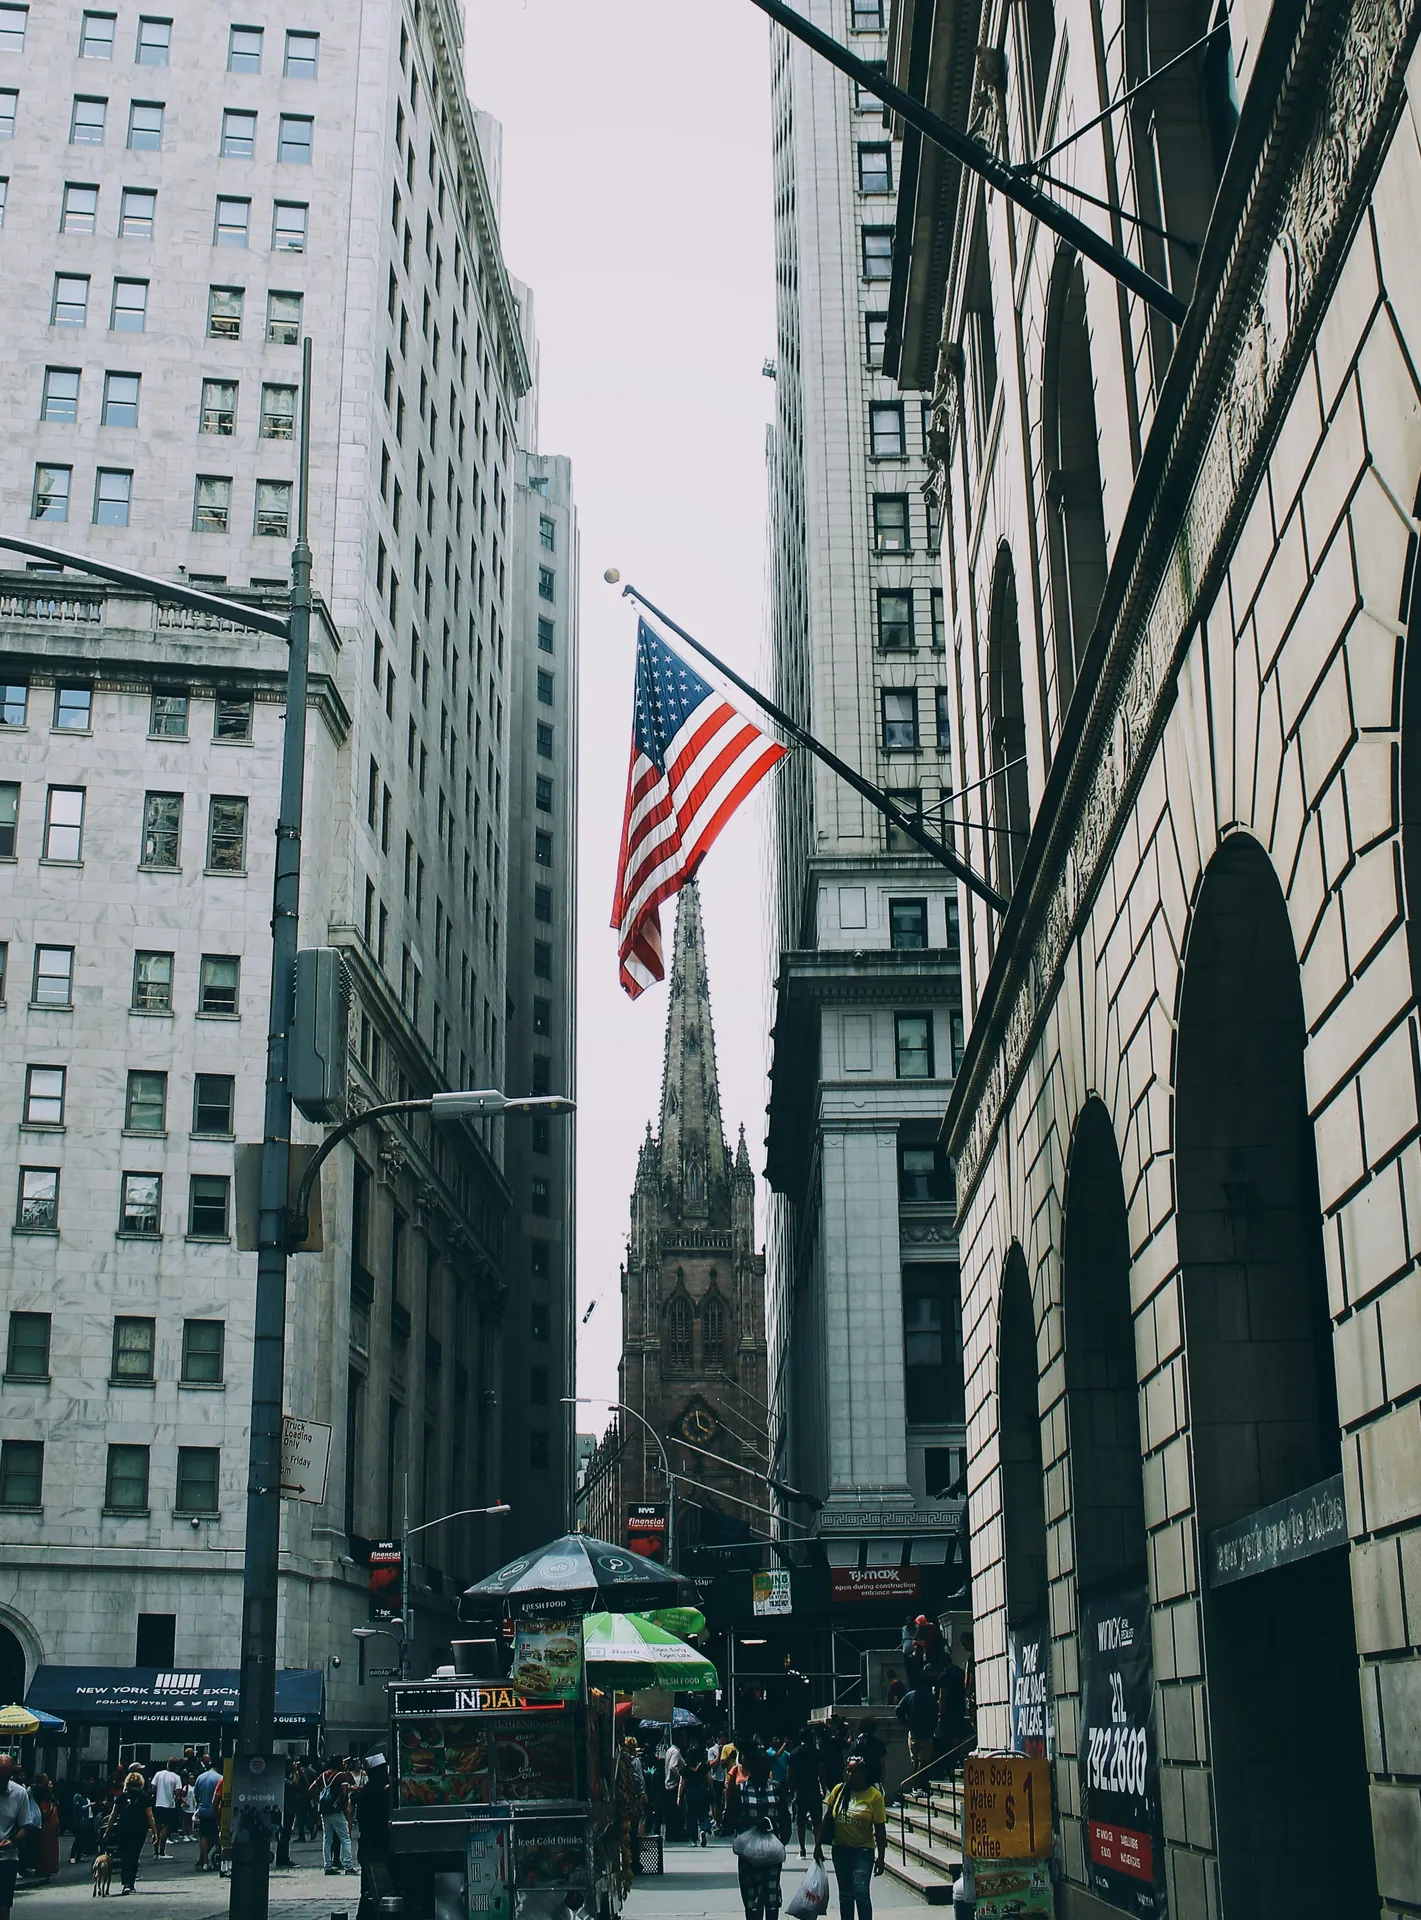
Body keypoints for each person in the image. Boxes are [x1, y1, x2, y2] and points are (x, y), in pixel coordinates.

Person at [814, 1753, 887, 1920]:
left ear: (864, 1773)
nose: (849, 1775)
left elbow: (880, 1829)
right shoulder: (838, 1790)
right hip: (840, 1850)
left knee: (860, 1892)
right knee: (845, 1895)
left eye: (854, 1772)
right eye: (848, 1771)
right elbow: (826, 1820)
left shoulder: (874, 1796)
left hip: (863, 1851)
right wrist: (818, 1845)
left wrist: (881, 1857)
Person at [725, 1741, 785, 1920]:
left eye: (767, 1766)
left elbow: (784, 1817)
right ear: (750, 1768)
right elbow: (728, 1820)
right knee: (752, 1899)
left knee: (772, 1896)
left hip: (772, 1852)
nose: (766, 1769)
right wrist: (754, 1822)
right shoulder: (739, 1790)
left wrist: (781, 1839)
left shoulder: (776, 1788)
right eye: (762, 1766)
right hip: (748, 1854)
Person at [104, 1770, 157, 1896]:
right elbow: (149, 1816)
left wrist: (108, 1830)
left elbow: (113, 1815)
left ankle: (125, 1882)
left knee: (124, 1856)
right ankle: (130, 1883)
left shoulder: (122, 1797)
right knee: (134, 1855)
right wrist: (155, 1832)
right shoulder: (144, 1797)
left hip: (124, 1829)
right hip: (139, 1830)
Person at [355, 1751, 393, 1918]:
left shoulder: (365, 1792)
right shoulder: (382, 1792)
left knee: (368, 1888)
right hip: (380, 1845)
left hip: (367, 1846)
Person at [0, 1756, 38, 1920]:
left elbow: (26, 1825)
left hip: (7, 1857)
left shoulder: (19, 1793)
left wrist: (13, 1841)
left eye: (4, 1777)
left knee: (3, 1904)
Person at [311, 1755, 357, 1876]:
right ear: (339, 1763)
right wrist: (344, 1806)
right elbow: (345, 1792)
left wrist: (318, 1800)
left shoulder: (324, 1775)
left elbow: (311, 1788)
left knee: (327, 1839)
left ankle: (328, 1866)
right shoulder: (342, 1776)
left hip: (324, 1811)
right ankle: (348, 1866)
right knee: (345, 1838)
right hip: (337, 1811)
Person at [786, 1728, 822, 1861]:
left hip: (800, 1790)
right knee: (817, 1821)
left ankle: (802, 1849)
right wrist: (823, 1787)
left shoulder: (794, 1753)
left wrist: (791, 1789)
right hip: (813, 1788)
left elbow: (790, 1773)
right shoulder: (816, 1753)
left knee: (800, 1821)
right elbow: (821, 1771)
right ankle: (818, 1847)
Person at [895, 1674, 939, 1772]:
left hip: (913, 1732)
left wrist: (905, 1723)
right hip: (926, 1734)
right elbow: (935, 1714)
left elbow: (898, 1710)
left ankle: (915, 1782)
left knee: (914, 1760)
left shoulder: (910, 1695)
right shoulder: (930, 1697)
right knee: (924, 1761)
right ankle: (919, 1781)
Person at [678, 1741, 713, 1848]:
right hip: (702, 1792)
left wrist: (679, 1796)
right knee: (703, 1813)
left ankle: (693, 1839)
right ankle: (703, 1829)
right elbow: (709, 1779)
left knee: (691, 1816)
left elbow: (682, 1783)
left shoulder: (685, 1769)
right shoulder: (703, 1766)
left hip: (690, 1793)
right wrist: (711, 1789)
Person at [192, 1757, 223, 1872]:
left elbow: (196, 1795)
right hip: (215, 1811)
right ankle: (217, 1859)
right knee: (216, 1836)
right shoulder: (220, 1779)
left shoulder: (200, 1777)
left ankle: (204, 1861)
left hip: (203, 1810)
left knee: (204, 1836)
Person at [151, 1759, 183, 1858]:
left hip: (158, 1804)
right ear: (176, 1767)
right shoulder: (176, 1777)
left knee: (156, 1829)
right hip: (169, 1805)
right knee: (165, 1828)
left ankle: (155, 1852)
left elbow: (153, 1789)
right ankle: (162, 1852)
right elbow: (177, 1793)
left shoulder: (158, 1774)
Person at [850, 1719, 887, 1788]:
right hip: (874, 1778)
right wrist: (882, 1781)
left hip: (857, 1780)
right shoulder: (878, 1744)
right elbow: (882, 1764)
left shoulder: (854, 1744)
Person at [68, 1784, 96, 1864]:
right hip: (79, 1820)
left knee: (82, 1839)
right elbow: (78, 1808)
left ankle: (78, 1856)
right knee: (78, 1839)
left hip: (87, 1819)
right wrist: (88, 1805)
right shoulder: (77, 1797)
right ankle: (72, 1856)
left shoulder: (86, 1797)